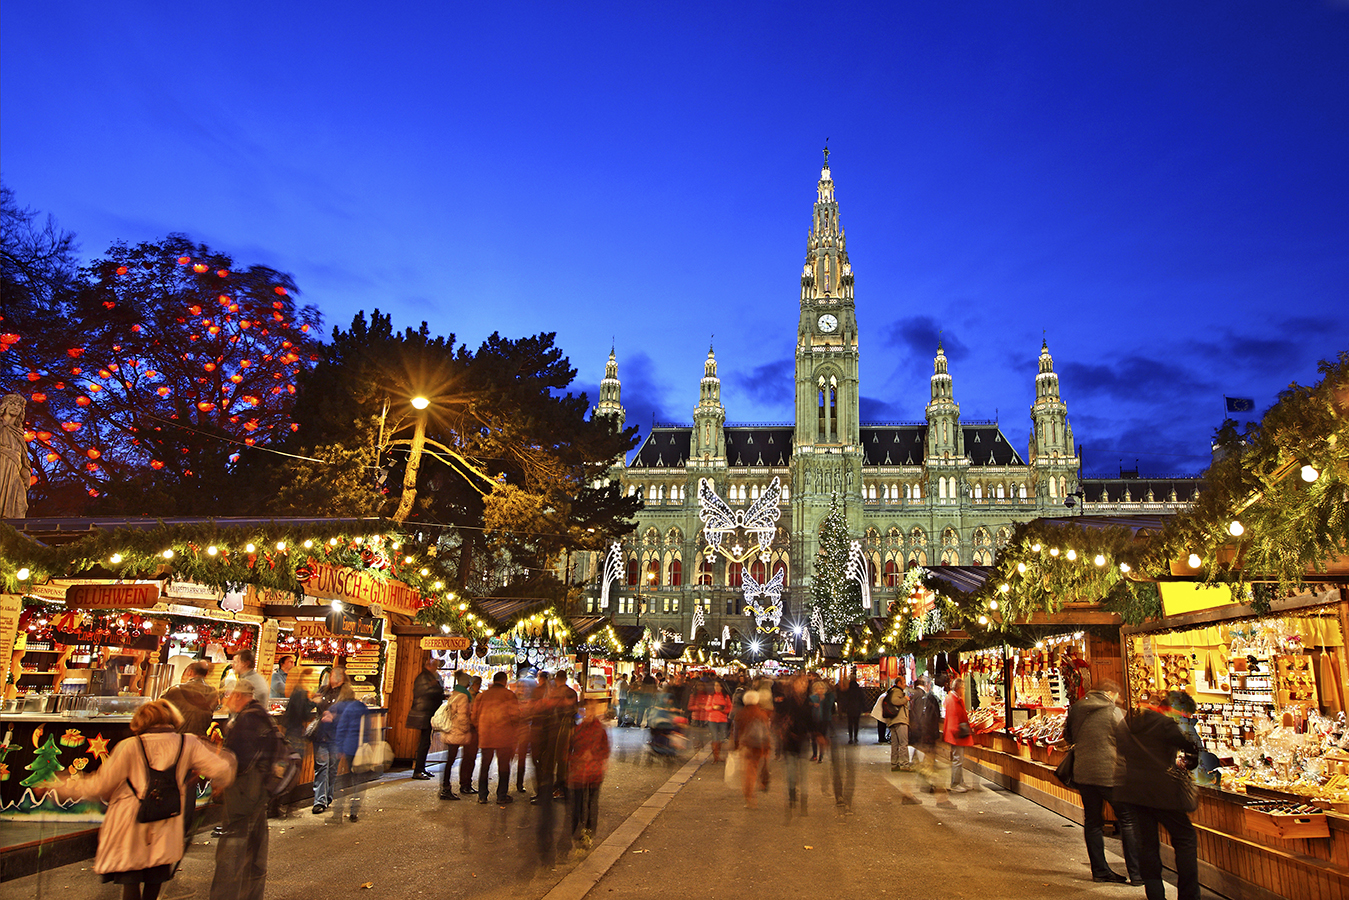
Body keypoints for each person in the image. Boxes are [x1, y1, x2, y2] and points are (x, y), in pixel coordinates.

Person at [51, 699, 235, 900]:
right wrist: (200, 766)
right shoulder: (187, 743)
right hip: (167, 821)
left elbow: (99, 786)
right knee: (154, 878)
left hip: (131, 824)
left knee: (131, 878)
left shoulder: (129, 746)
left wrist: (59, 787)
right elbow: (223, 770)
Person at [1114, 692, 1202, 900]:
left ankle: (1154, 894)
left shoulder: (1129, 722)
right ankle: (1189, 895)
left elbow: (1120, 746)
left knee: (1147, 844)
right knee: (1185, 838)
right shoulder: (1165, 724)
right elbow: (1191, 750)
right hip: (1163, 791)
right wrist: (1186, 763)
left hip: (1133, 790)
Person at [1063, 679, 1141, 885]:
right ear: (1109, 693)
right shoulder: (1113, 712)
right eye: (1116, 696)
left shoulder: (1076, 709)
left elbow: (1068, 736)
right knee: (1129, 820)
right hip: (1111, 774)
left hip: (1084, 773)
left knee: (1093, 822)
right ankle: (1137, 872)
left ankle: (1100, 871)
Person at [210, 688, 275, 900]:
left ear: (239, 695)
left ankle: (224, 897)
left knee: (232, 851)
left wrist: (219, 780)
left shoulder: (247, 720)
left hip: (244, 792)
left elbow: (237, 761)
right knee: (256, 849)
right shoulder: (261, 715)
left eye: (229, 696)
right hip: (260, 791)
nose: (226, 700)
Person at [568, 695, 611, 855]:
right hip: (580, 772)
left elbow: (605, 750)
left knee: (591, 802)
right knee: (578, 802)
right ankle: (575, 830)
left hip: (593, 772)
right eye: (587, 710)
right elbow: (570, 750)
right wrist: (577, 759)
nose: (589, 713)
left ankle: (588, 831)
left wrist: (594, 757)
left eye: (591, 710)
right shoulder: (578, 730)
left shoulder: (599, 730)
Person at [471, 671, 520, 804]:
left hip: (486, 735)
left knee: (485, 765)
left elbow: (474, 716)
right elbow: (515, 716)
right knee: (503, 766)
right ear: (505, 681)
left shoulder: (482, 696)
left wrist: (480, 729)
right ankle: (501, 795)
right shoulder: (509, 695)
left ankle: (482, 795)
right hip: (504, 735)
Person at [327, 685, 369, 823]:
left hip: (349, 747)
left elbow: (342, 728)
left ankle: (337, 812)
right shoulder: (361, 707)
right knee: (359, 780)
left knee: (345, 780)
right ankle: (354, 812)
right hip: (361, 747)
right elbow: (367, 727)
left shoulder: (344, 708)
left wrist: (339, 748)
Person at [310, 666, 348, 814]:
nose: (335, 678)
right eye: (334, 674)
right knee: (321, 766)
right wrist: (311, 700)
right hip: (321, 734)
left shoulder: (346, 695)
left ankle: (328, 797)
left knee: (332, 768)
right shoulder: (322, 690)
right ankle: (319, 801)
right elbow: (311, 706)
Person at [407, 654, 446, 780]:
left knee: (426, 742)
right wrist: (439, 691)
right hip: (423, 713)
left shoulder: (429, 676)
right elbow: (426, 692)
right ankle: (418, 771)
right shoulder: (423, 677)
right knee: (424, 743)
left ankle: (422, 768)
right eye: (435, 665)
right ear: (429, 666)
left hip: (427, 713)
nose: (436, 667)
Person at [733, 689, 772, 807]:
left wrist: (735, 745)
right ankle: (760, 785)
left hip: (746, 745)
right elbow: (766, 731)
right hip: (759, 746)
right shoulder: (762, 714)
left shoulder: (740, 714)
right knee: (757, 769)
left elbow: (735, 732)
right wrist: (767, 747)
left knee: (748, 772)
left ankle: (750, 798)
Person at [162, 660, 218, 738]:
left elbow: (158, 709)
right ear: (206, 674)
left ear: (190, 672)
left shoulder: (174, 690)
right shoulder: (213, 693)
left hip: (177, 739)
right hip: (199, 740)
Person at [439, 671, 472, 800]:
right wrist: (466, 729)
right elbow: (463, 717)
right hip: (456, 732)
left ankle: (445, 787)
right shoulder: (463, 697)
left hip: (450, 730)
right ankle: (445, 788)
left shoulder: (454, 694)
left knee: (450, 760)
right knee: (451, 760)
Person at [0, 392, 30, 518]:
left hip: (15, 469)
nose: (15, 407)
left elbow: (23, 455)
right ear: (5, 406)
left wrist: (26, 470)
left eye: (19, 405)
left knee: (20, 504)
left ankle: (14, 533)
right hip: (2, 465)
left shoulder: (18, 432)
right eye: (12, 404)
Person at [943, 677, 975, 792]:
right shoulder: (953, 699)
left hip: (956, 734)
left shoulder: (954, 698)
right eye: (963, 687)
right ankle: (955, 784)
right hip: (956, 734)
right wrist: (959, 731)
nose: (964, 690)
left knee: (959, 759)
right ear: (958, 688)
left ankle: (960, 782)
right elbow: (954, 718)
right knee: (958, 759)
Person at [458, 675, 483, 795]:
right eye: (477, 684)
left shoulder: (477, 696)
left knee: (470, 757)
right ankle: (464, 784)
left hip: (473, 729)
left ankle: (467, 783)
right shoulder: (468, 697)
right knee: (468, 757)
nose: (479, 687)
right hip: (470, 728)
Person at [882, 677, 910, 771]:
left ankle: (895, 763)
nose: (905, 684)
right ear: (899, 683)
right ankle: (904, 764)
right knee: (903, 743)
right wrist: (905, 699)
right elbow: (895, 701)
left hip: (893, 721)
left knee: (895, 744)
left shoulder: (892, 690)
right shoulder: (897, 691)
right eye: (904, 682)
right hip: (900, 720)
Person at [836, 671, 867, 745]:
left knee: (850, 723)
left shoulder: (848, 691)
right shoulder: (859, 690)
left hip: (850, 708)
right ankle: (855, 737)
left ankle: (850, 737)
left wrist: (844, 708)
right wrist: (864, 708)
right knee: (856, 723)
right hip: (857, 708)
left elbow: (845, 699)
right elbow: (862, 699)